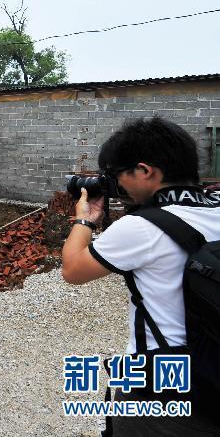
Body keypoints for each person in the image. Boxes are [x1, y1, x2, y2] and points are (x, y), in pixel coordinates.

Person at [62, 117, 220, 435]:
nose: (117, 186)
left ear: (145, 171)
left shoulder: (143, 227)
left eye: (118, 176)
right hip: (212, 372)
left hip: (164, 391)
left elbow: (73, 270)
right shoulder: (215, 207)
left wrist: (86, 219)